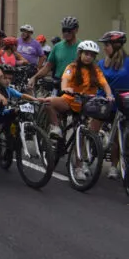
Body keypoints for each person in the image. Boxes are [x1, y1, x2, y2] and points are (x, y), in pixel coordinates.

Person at [43, 40, 113, 181]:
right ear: (80, 54)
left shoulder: (96, 70)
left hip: (86, 105)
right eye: (86, 54)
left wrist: (109, 95)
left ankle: (79, 167)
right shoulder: (73, 66)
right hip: (70, 100)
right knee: (48, 102)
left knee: (81, 135)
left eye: (92, 55)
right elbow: (65, 79)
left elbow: (104, 83)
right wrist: (66, 88)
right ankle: (56, 126)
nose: (89, 57)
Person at [0, 65, 43, 175]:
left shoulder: (9, 90)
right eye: (5, 78)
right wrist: (2, 98)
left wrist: (36, 100)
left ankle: (12, 136)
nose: (8, 81)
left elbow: (22, 95)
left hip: (2, 113)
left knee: (16, 111)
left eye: (10, 79)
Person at [97, 31, 128, 180]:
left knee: (117, 137)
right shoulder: (102, 63)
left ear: (116, 46)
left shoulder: (128, 63)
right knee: (91, 127)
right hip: (104, 104)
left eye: (107, 45)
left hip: (122, 106)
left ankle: (114, 167)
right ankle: (81, 162)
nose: (104, 48)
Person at [30, 17, 79, 89]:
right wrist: (34, 77)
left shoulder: (82, 47)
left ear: (76, 30)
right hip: (59, 83)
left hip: (75, 84)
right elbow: (47, 67)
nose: (66, 33)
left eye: (69, 30)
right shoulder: (57, 47)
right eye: (64, 30)